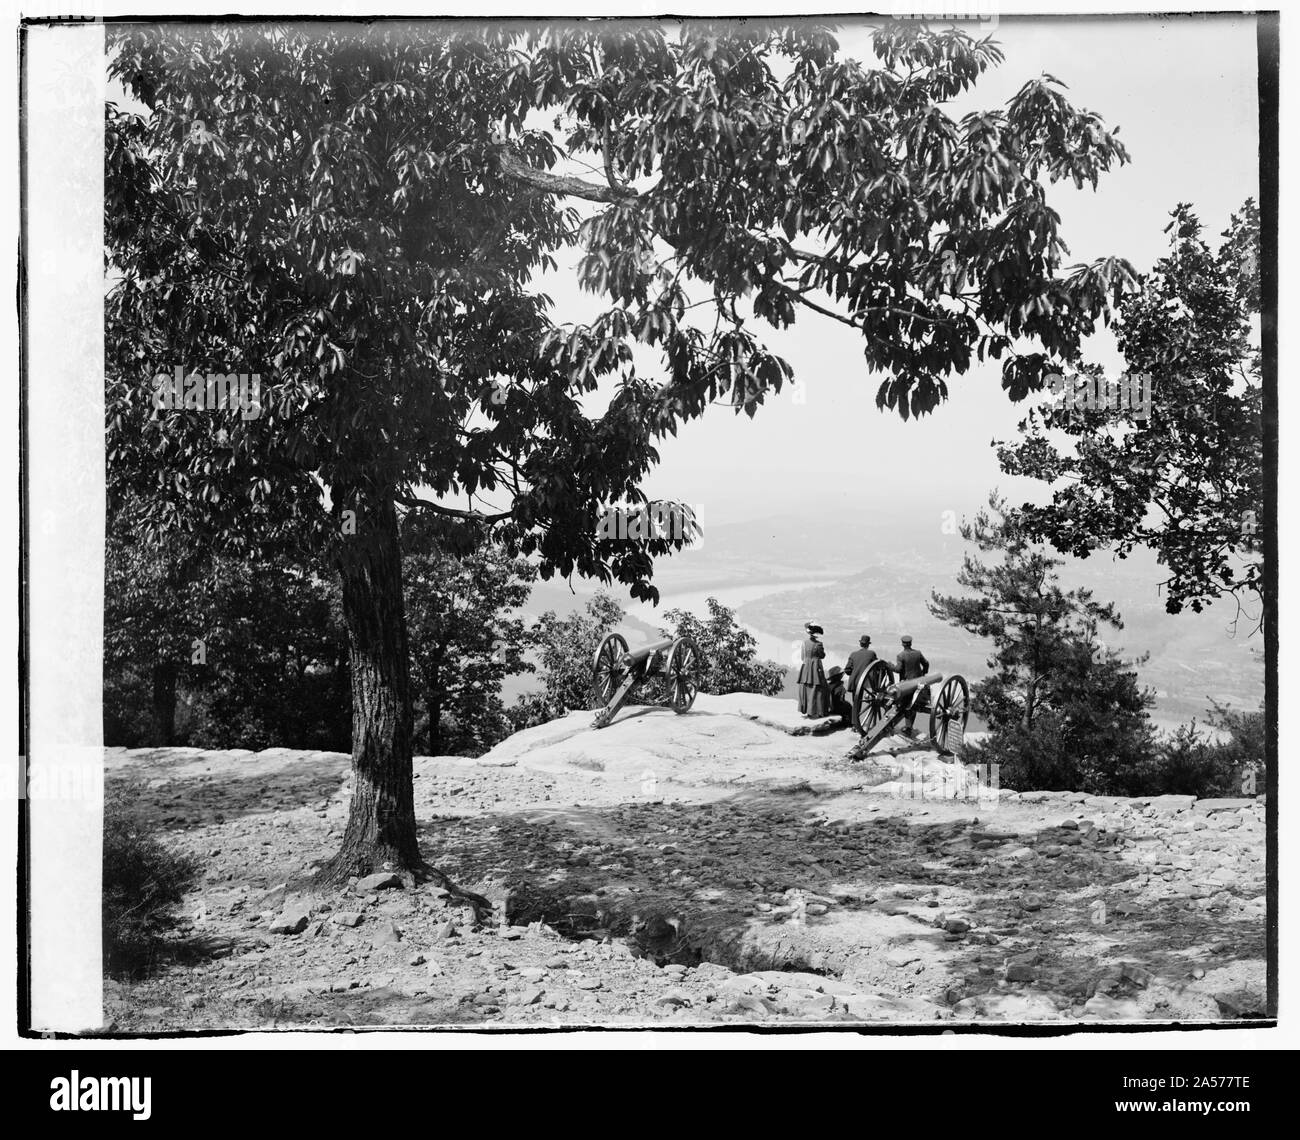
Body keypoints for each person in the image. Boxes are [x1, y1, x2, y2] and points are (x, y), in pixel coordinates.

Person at [895, 635, 930, 735]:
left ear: (902, 644)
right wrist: (923, 674)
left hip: (906, 684)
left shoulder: (900, 656)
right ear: (910, 643)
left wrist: (890, 666)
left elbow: (898, 669)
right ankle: (909, 727)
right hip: (918, 683)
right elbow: (926, 664)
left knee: (907, 705)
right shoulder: (918, 653)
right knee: (912, 704)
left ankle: (908, 728)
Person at [796, 622, 830, 718]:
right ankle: (817, 711)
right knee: (818, 688)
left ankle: (806, 710)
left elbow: (803, 657)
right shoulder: (819, 644)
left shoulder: (804, 643)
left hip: (806, 667)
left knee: (806, 687)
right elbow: (822, 656)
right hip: (816, 667)